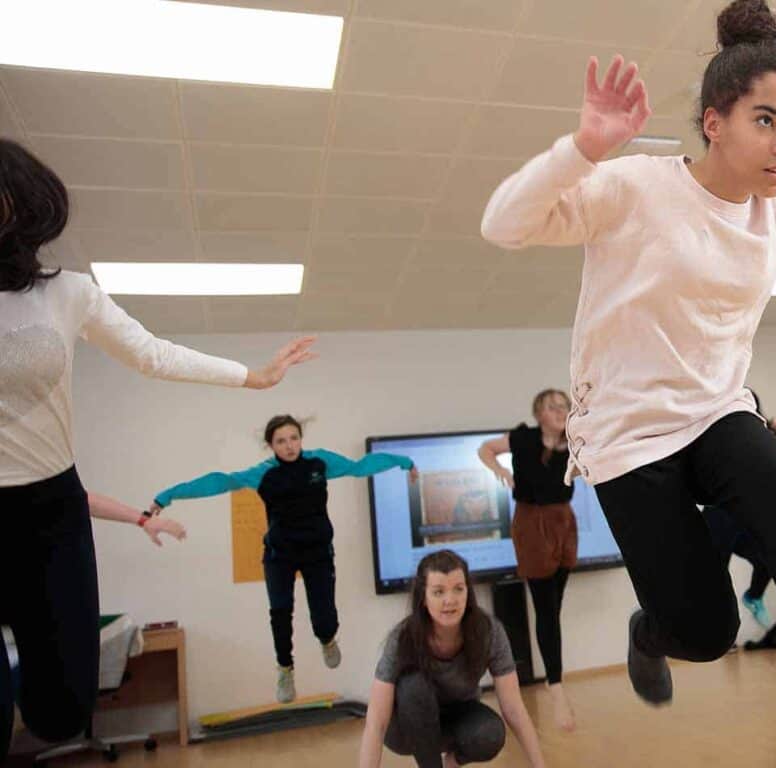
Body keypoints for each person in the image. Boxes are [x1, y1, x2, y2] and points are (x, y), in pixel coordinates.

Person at [480, 2, 776, 763]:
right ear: (712, 122)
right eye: (766, 121)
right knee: (706, 632)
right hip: (629, 437)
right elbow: (503, 225)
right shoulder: (634, 188)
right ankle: (651, 631)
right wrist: (582, 149)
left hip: (719, 412)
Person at [0, 137, 314, 758]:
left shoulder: (66, 294)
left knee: (61, 711)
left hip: (52, 508)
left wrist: (253, 377)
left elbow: (152, 354)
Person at [151, 415, 418, 703]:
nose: (289, 446)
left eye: (294, 438)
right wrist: (167, 496)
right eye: (281, 441)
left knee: (324, 617)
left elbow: (359, 467)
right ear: (271, 445)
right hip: (280, 554)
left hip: (317, 552)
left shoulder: (319, 463)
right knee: (280, 612)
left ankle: (327, 639)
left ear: (301, 439)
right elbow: (218, 482)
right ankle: (285, 668)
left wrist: (404, 461)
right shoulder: (263, 474)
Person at [358, 550, 545, 768]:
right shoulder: (403, 638)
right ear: (424, 599)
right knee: (412, 687)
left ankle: (453, 762)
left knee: (490, 734)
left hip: (458, 719)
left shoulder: (489, 631)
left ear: (468, 592)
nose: (450, 600)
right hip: (406, 729)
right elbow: (376, 723)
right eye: (438, 592)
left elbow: (514, 709)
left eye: (458, 589)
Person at [476, 389, 580, 730]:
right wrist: (501, 472)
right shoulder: (523, 438)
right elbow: (486, 448)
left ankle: (554, 678)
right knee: (547, 609)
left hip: (563, 520)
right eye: (553, 407)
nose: (561, 411)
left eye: (565, 406)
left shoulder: (576, 438)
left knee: (554, 608)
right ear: (538, 414)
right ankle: (556, 687)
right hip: (531, 522)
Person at [701, 387, 776, 630]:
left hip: (744, 516)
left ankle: (753, 597)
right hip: (718, 515)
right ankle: (721, 628)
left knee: (770, 558)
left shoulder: (760, 439)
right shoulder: (713, 434)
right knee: (718, 577)